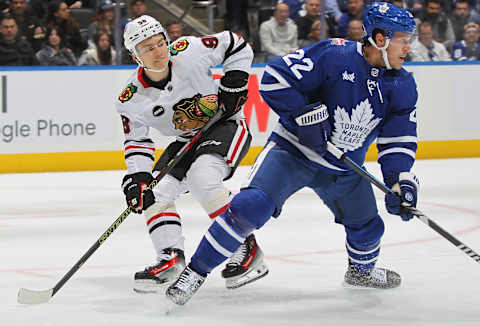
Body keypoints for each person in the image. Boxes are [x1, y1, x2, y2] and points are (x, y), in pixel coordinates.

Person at [166, 2, 421, 306]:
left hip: (344, 168)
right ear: (380, 39)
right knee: (250, 207)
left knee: (369, 227)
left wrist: (400, 182)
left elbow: (398, 141)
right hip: (293, 154)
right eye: (403, 39)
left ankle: (361, 272)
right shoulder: (333, 55)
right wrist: (303, 115)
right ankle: (194, 273)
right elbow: (275, 79)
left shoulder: (403, 84)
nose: (409, 47)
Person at [116, 15, 268, 293]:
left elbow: (237, 44)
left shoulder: (190, 49)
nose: (158, 52)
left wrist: (235, 79)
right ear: (134, 55)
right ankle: (170, 257)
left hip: (226, 125)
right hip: (187, 139)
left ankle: (246, 246)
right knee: (154, 192)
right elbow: (137, 141)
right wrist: (137, 176)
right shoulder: (130, 99)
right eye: (147, 48)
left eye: (160, 43)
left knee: (202, 177)